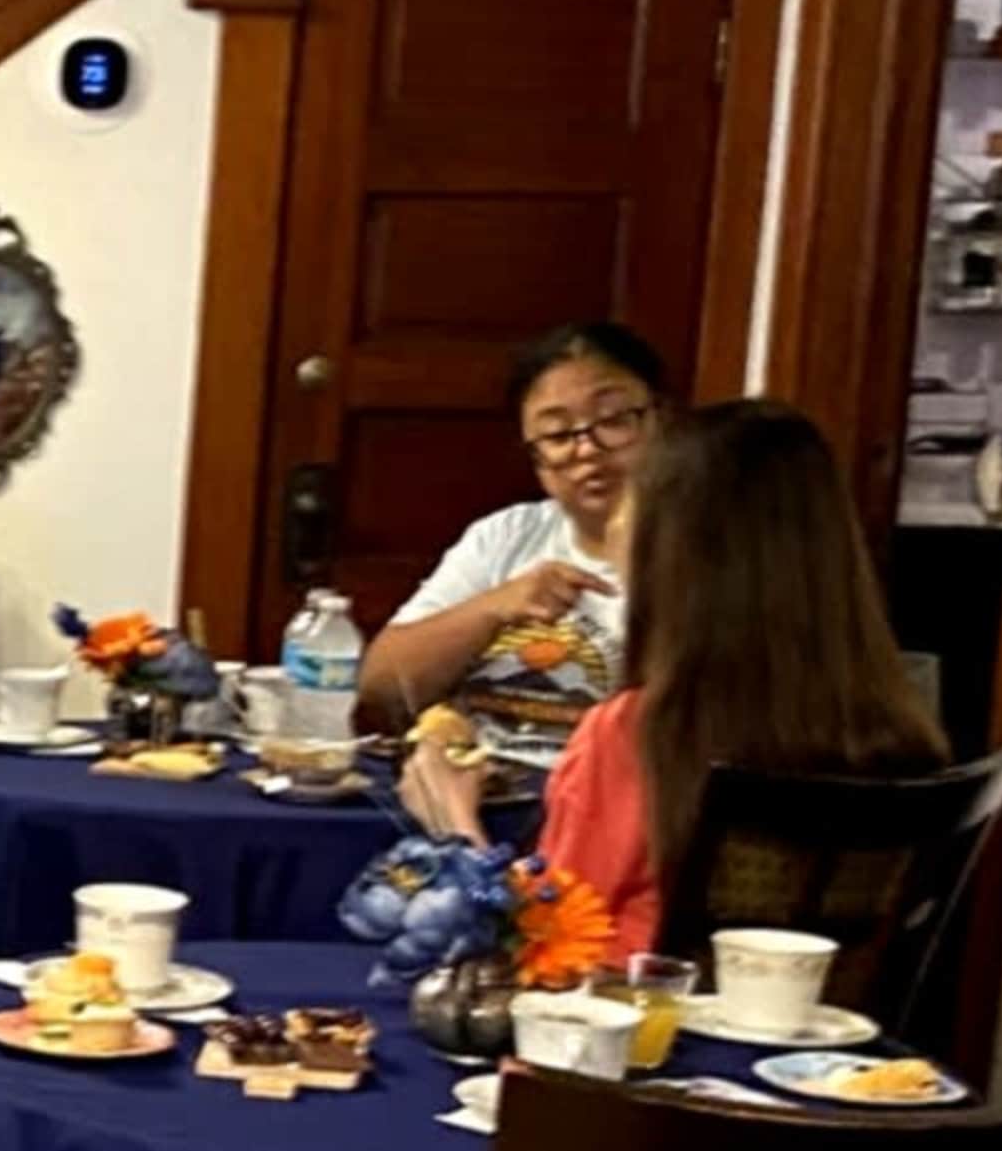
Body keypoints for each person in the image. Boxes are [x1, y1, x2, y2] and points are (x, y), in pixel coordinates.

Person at [401, 395, 941, 951]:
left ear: (677, 551)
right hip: (821, 1035)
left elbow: (545, 945)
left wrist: (455, 826)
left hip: (639, 1025)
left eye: (630, 510)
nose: (614, 532)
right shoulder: (896, 732)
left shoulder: (638, 734)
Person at [355, 319, 673, 731]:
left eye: (613, 421)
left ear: (661, 420)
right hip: (472, 779)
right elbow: (381, 686)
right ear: (534, 454)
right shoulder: (507, 535)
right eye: (558, 434)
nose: (587, 449)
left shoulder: (714, 545)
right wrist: (493, 607)